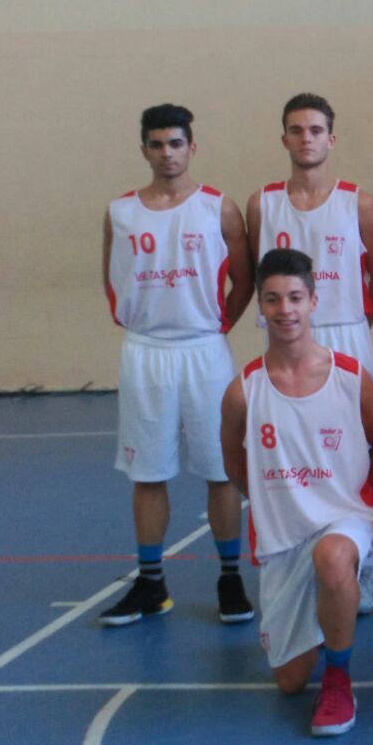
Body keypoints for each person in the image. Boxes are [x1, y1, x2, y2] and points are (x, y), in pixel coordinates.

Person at [219, 249, 373, 736]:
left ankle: (338, 679)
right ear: (260, 306)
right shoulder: (243, 391)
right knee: (290, 682)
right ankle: (334, 599)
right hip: (285, 535)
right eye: (273, 299)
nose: (285, 309)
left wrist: (362, 503)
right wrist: (271, 499)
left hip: (343, 519)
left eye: (295, 297)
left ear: (314, 301)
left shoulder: (350, 376)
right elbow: (233, 459)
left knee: (333, 557)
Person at [99, 104, 255, 628]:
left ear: (192, 147)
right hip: (145, 353)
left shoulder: (218, 208)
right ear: (143, 149)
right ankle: (151, 584)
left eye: (175, 143)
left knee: (220, 469)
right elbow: (111, 280)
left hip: (205, 352)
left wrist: (216, 326)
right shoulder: (120, 212)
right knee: (148, 472)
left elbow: (245, 279)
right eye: (157, 144)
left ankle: (230, 579)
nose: (167, 153)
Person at [247, 92, 373, 614]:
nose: (306, 138)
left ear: (332, 138)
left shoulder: (360, 202)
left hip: (346, 332)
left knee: (360, 450)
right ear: (283, 138)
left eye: (315, 130)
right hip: (288, 335)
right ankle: (299, 554)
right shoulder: (262, 203)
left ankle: (360, 562)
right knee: (298, 454)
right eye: (296, 130)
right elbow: (258, 273)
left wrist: (353, 322)